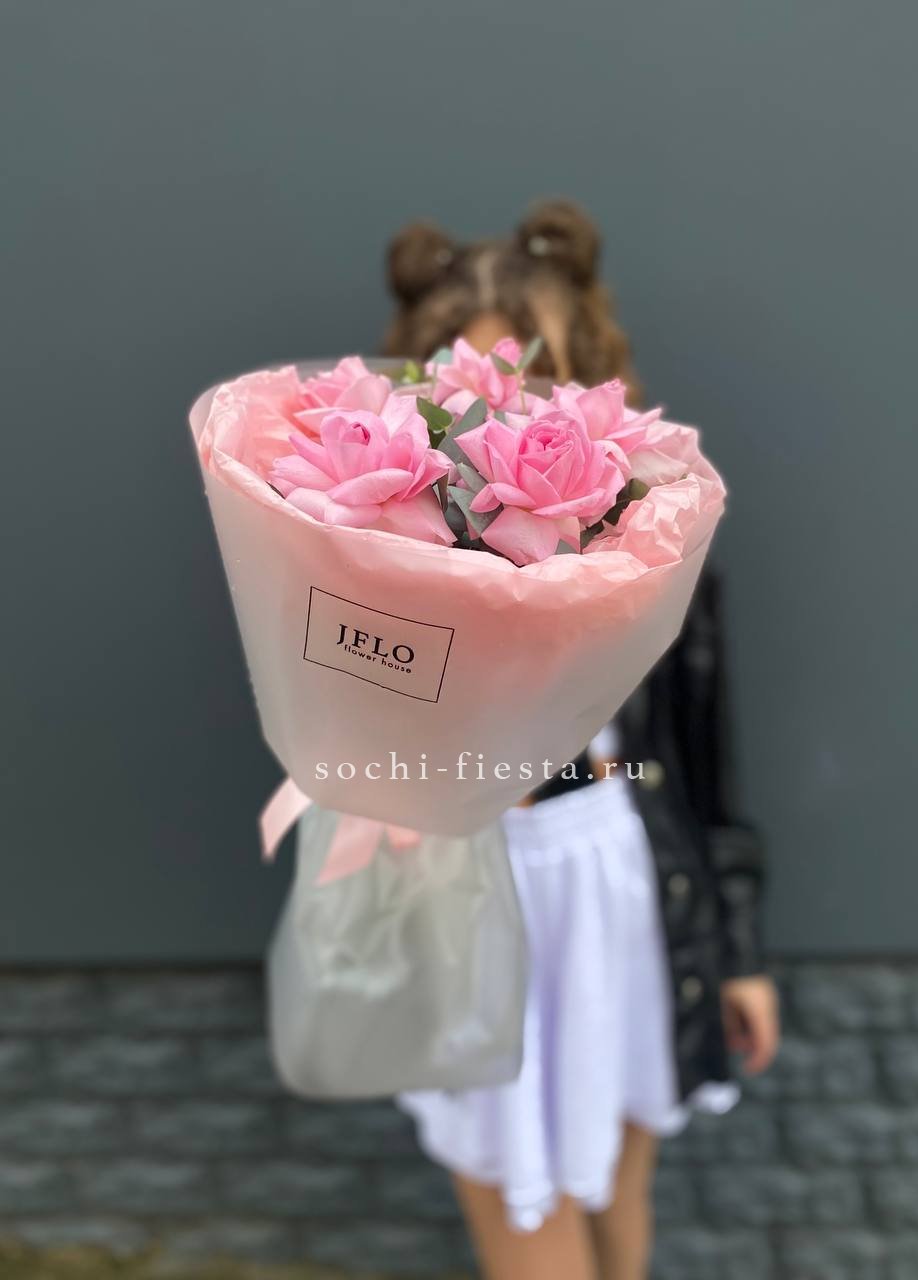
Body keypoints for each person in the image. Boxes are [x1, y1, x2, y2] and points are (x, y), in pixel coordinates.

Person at [385, 202, 780, 1280]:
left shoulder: (657, 535)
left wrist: (739, 952)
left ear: (590, 376)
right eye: (471, 386)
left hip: (620, 869)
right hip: (477, 884)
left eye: (538, 376)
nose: (506, 414)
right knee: (523, 1197)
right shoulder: (377, 551)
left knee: (618, 1182)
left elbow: (702, 759)